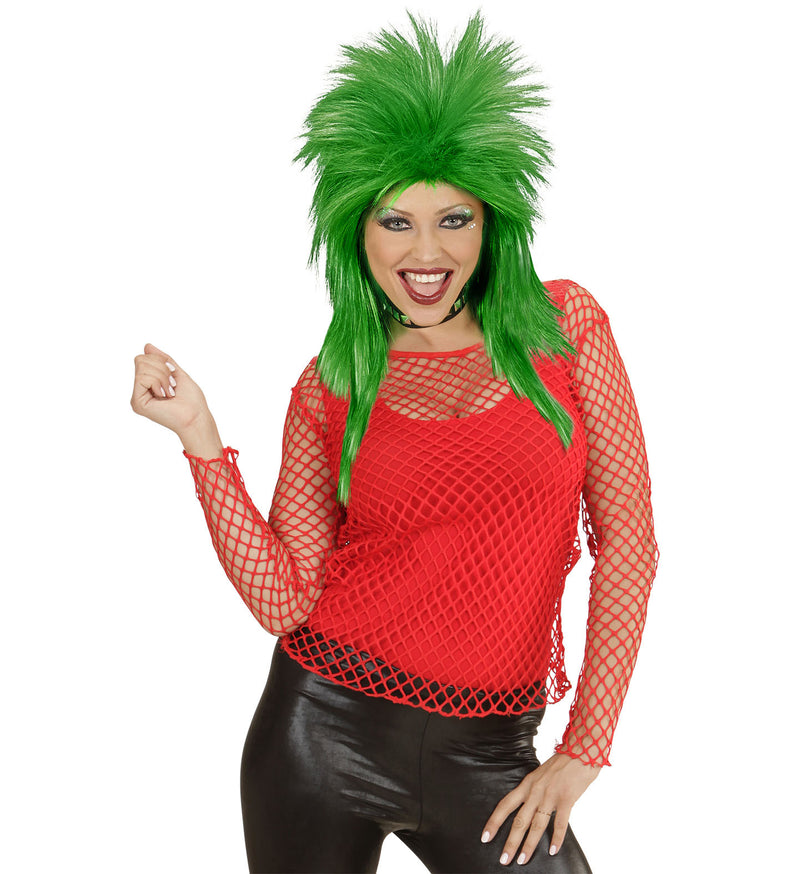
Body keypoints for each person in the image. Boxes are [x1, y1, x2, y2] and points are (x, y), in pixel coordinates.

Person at [130, 13, 658, 874]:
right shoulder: (332, 382)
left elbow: (628, 539)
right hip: (319, 729)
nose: (427, 252)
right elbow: (285, 600)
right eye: (395, 221)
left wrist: (586, 747)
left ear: (491, 224)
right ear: (356, 230)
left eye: (453, 218)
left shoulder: (567, 326)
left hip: (490, 755)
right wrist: (199, 434)